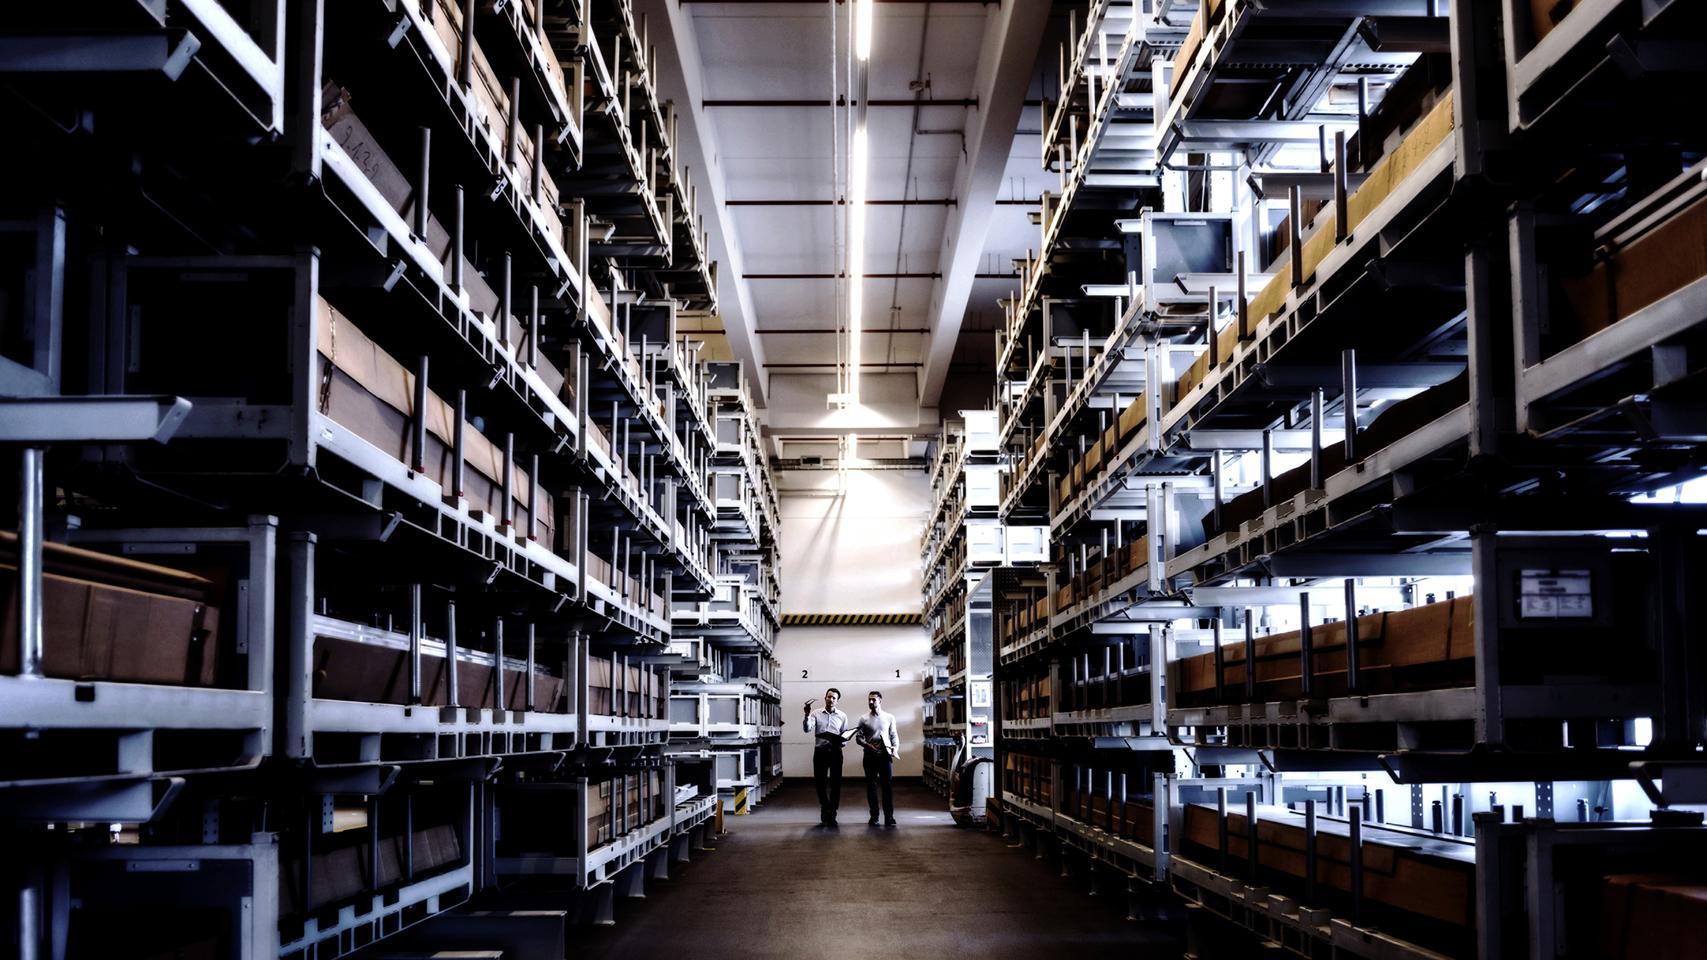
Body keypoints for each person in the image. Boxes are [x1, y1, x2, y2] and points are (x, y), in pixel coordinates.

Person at [802, 687, 851, 825]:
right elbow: (807, 729)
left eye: (834, 698)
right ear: (825, 698)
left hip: (836, 752)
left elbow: (844, 736)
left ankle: (832, 813)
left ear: (837, 701)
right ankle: (825, 807)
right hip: (820, 752)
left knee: (836, 784)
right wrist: (806, 715)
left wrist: (841, 742)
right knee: (820, 783)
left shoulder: (842, 716)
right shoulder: (815, 713)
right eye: (829, 697)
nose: (831, 699)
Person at [854, 690, 900, 826]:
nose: (871, 702)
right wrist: (867, 745)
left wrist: (895, 748)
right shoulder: (863, 719)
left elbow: (894, 735)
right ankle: (874, 816)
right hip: (869, 755)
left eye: (873, 700)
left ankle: (889, 817)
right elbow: (858, 737)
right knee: (871, 786)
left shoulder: (889, 717)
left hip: (885, 756)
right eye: (869, 699)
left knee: (887, 787)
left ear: (880, 701)